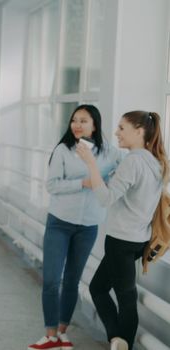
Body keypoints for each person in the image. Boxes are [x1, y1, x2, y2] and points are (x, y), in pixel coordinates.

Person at [28, 105, 122, 350]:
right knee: (51, 279)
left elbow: (128, 168)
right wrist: (84, 183)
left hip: (89, 225)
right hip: (59, 222)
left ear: (95, 125)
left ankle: (62, 332)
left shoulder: (110, 153)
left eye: (83, 120)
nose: (77, 125)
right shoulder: (63, 150)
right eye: (74, 120)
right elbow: (52, 185)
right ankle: (49, 336)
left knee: (72, 281)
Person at [76, 111, 167, 350]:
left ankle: (120, 341)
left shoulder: (134, 161)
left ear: (139, 132)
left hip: (121, 241)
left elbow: (105, 199)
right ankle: (118, 339)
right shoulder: (155, 161)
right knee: (100, 288)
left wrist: (91, 164)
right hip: (139, 241)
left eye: (122, 128)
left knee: (126, 298)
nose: (116, 132)